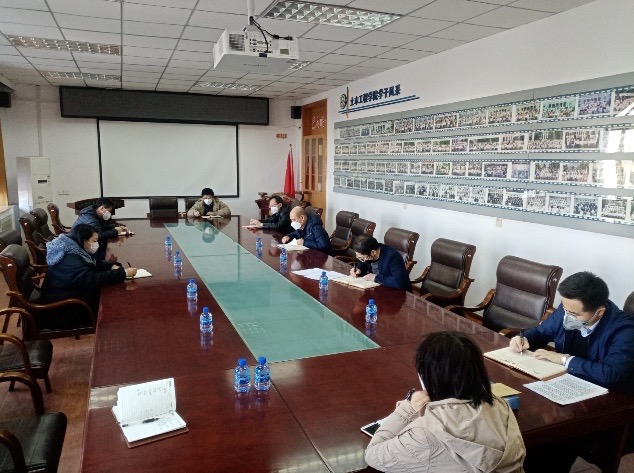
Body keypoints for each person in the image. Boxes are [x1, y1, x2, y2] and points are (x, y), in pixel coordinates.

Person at [509, 271, 634, 472]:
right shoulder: (568, 309)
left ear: (599, 313)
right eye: (565, 309)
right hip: (568, 390)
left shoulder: (625, 330)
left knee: (550, 442)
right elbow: (541, 332)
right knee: (525, 423)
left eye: (574, 315)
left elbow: (611, 374)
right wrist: (525, 338)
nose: (567, 316)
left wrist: (565, 360)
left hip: (606, 403)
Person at [365, 331, 526, 473]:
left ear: (430, 377)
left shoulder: (425, 433)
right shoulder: (501, 406)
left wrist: (409, 407)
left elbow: (373, 454)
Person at [40, 224, 137, 329]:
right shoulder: (70, 259)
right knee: (113, 306)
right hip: (64, 310)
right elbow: (91, 279)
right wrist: (123, 273)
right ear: (85, 241)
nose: (96, 243)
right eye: (94, 241)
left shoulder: (73, 248)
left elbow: (93, 262)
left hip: (73, 295)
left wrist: (111, 265)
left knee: (112, 296)